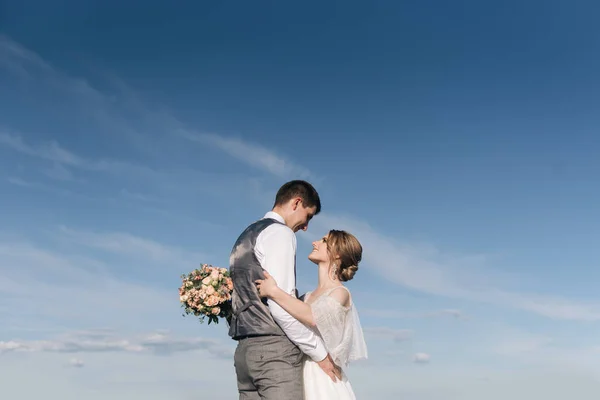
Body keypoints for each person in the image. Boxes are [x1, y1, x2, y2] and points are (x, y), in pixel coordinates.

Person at [228, 180, 341, 400]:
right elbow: (281, 308)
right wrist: (319, 354)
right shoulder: (279, 234)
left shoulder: (245, 236)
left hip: (244, 354)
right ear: (297, 202)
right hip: (274, 354)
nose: (306, 226)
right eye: (308, 216)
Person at [255, 229, 368, 399]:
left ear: (337, 254)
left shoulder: (340, 293)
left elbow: (314, 317)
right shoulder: (306, 297)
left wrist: (274, 291)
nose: (315, 242)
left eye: (323, 240)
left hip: (323, 376)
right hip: (295, 370)